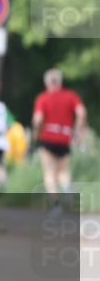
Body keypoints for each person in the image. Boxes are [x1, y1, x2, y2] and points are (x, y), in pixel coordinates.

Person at [33, 68, 88, 209]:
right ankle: (66, 189)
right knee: (63, 170)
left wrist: (36, 133)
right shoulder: (71, 96)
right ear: (59, 82)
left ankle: (55, 202)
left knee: (49, 172)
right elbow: (81, 113)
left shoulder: (43, 98)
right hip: (65, 137)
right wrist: (77, 131)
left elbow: (38, 119)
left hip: (47, 138)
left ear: (47, 83)